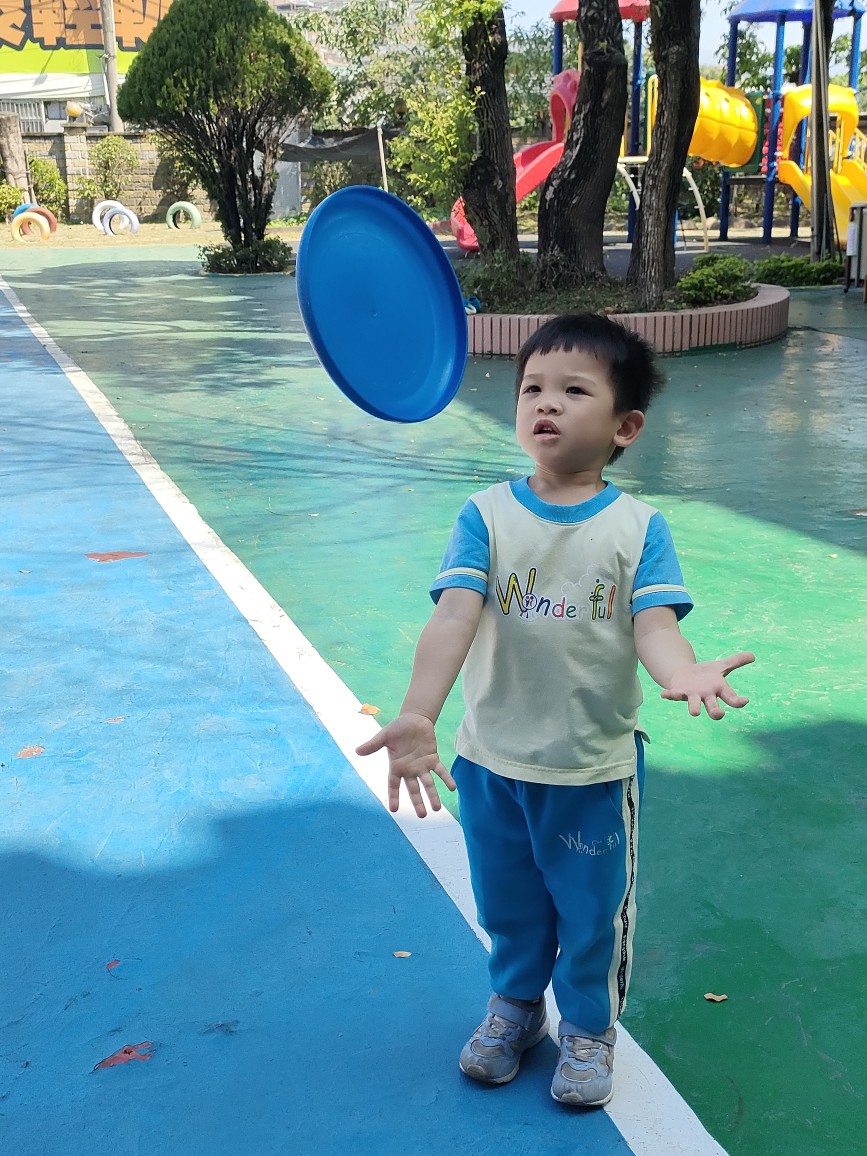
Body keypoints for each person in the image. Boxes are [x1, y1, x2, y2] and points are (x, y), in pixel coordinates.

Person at [356, 313, 754, 1108]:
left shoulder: (637, 528)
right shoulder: (485, 515)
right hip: (491, 764)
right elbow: (454, 615)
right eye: (531, 388)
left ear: (624, 426)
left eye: (573, 390)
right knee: (507, 906)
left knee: (590, 913)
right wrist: (419, 713)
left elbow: (654, 625)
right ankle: (514, 1007)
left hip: (589, 770)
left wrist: (681, 671)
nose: (545, 402)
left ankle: (588, 1028)